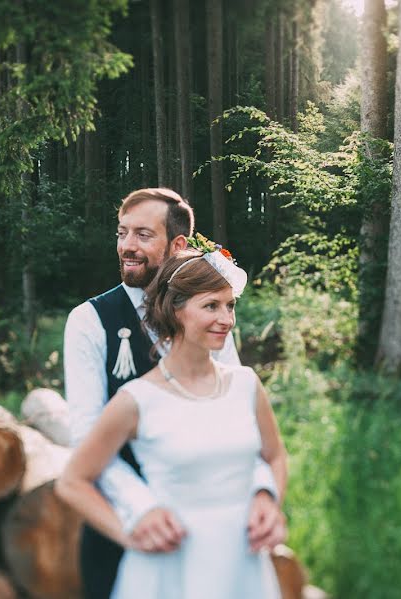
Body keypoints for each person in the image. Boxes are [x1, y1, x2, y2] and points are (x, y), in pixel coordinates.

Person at [62, 188, 285, 598]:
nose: (127, 246)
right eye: (122, 232)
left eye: (143, 235)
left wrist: (260, 490)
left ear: (177, 245)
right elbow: (85, 438)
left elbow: (235, 418)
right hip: (127, 530)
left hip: (226, 538)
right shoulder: (89, 321)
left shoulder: (210, 315)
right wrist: (141, 511)